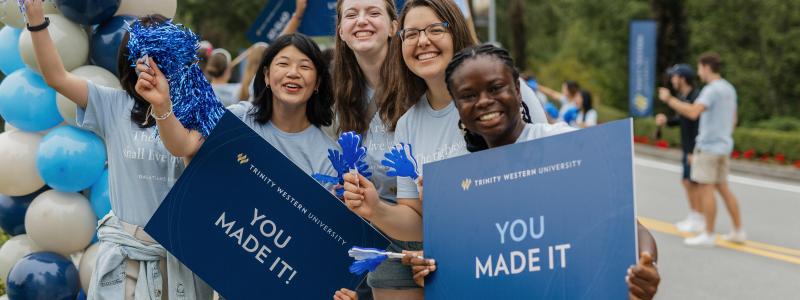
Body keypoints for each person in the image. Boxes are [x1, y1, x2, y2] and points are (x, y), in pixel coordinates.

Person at [406, 43, 661, 300]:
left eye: (495, 88)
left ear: (517, 90)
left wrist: (644, 266)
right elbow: (462, 259)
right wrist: (432, 272)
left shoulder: (567, 145)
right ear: (457, 106)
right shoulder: (454, 180)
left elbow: (631, 228)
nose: (483, 101)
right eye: (468, 95)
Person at [23, 1, 213, 299]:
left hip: (180, 260)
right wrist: (36, 21)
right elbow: (56, 77)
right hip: (126, 259)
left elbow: (184, 152)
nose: (153, 68)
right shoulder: (112, 104)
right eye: (143, 58)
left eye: (163, 58)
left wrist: (163, 106)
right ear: (129, 62)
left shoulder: (201, 113)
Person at [135, 33, 337, 184]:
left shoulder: (329, 157)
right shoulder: (238, 118)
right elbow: (184, 146)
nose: (293, 73)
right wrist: (161, 104)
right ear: (266, 75)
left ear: (318, 82)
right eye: (283, 64)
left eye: (305, 66)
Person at [658, 52, 745, 247]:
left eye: (699, 68)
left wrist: (669, 100)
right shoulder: (729, 88)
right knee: (723, 189)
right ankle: (738, 231)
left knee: (706, 189)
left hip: (708, 147)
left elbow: (692, 112)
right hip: (724, 145)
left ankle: (708, 233)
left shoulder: (710, 90)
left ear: (706, 67)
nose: (698, 73)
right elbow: (734, 118)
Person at [655, 63, 703, 233]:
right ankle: (694, 215)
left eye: (674, 76)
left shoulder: (697, 97)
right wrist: (666, 120)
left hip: (694, 148)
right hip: (687, 148)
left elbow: (697, 123)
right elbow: (680, 118)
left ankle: (699, 218)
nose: (672, 80)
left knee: (693, 182)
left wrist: (693, 151)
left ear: (682, 78)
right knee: (687, 181)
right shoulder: (684, 97)